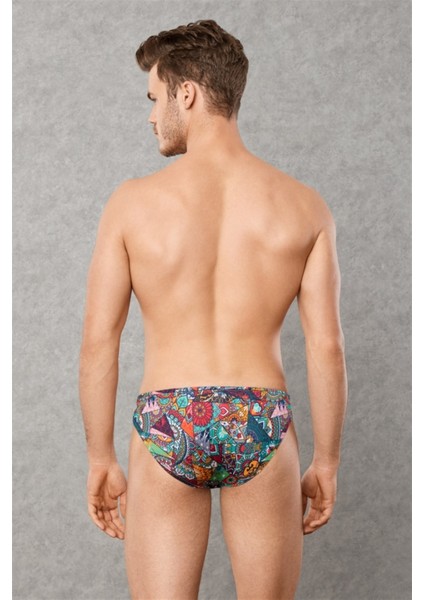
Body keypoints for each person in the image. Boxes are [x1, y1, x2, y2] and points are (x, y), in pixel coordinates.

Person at [79, 19, 348, 600]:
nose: (151, 116)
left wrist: (101, 455)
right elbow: (326, 346)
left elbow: (100, 340)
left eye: (154, 98)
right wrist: (326, 461)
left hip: (168, 421)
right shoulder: (305, 207)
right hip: (260, 420)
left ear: (187, 94)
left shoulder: (131, 205)